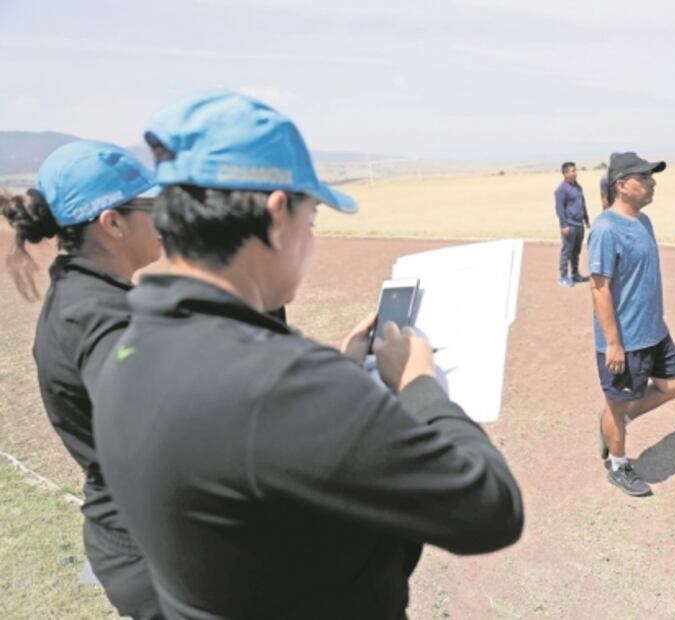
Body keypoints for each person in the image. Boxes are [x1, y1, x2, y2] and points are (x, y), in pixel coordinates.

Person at [90, 90, 524, 619]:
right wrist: (418, 383)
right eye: (311, 219)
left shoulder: (130, 346)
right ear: (276, 215)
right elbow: (490, 509)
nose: (311, 241)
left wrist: (340, 371)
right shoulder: (281, 386)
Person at [0, 141, 163, 619]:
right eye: (152, 207)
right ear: (112, 223)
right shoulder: (98, 317)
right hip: (156, 551)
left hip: (138, 536)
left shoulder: (86, 297)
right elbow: (169, 433)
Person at [589, 152, 675, 496]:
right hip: (625, 341)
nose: (651, 183)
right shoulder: (604, 229)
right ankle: (618, 464)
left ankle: (618, 422)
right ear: (622, 186)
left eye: (651, 177)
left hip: (654, 331)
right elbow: (599, 289)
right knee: (616, 405)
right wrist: (613, 343)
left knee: (674, 386)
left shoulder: (643, 221)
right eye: (643, 178)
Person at [555, 161, 590, 286]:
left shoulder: (578, 187)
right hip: (569, 225)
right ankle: (563, 277)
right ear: (565, 173)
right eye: (572, 171)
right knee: (567, 251)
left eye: (576, 170)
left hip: (579, 224)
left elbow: (583, 203)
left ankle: (575, 274)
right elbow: (559, 209)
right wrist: (564, 225)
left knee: (576, 251)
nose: (576, 173)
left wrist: (586, 219)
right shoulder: (561, 190)